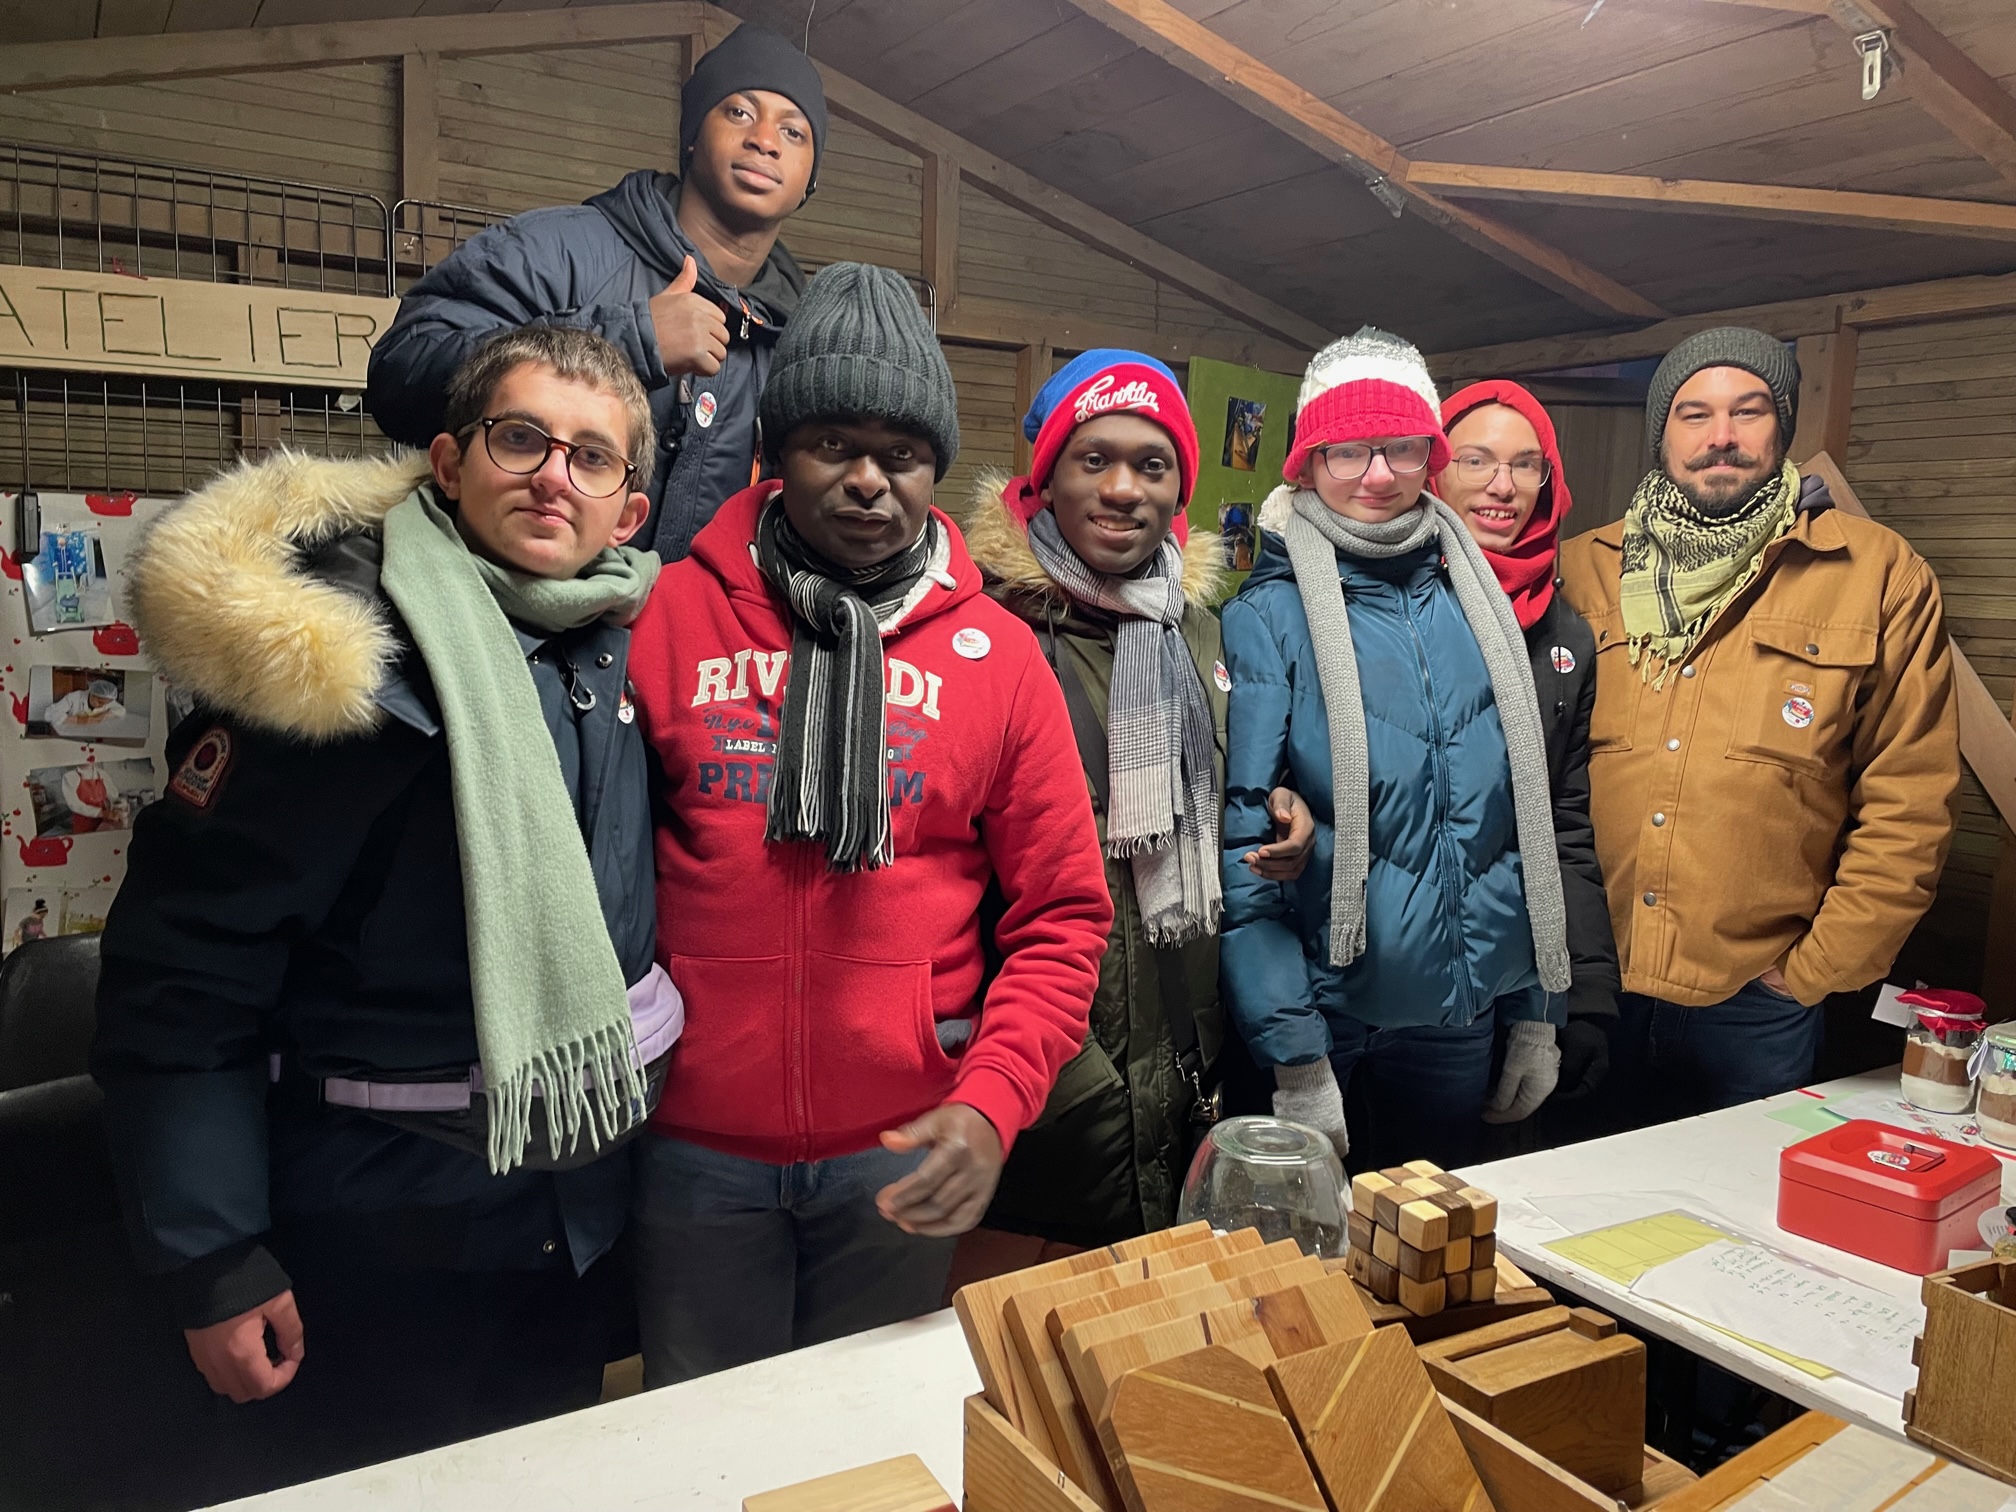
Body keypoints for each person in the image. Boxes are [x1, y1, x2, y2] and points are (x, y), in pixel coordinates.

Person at [93, 325, 675, 1498]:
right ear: (450, 462)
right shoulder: (334, 669)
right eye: (522, 439)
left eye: (591, 457)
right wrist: (212, 1256)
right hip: (378, 1234)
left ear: (631, 510)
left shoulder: (628, 648)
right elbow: (184, 973)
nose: (553, 475)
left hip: (565, 1220)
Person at [625, 262, 1111, 1384]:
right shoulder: (665, 614)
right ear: (774, 452)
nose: (865, 481)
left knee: (864, 1464)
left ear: (934, 468)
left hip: (903, 1151)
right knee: (701, 1461)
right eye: (830, 445)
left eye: (899, 455)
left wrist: (991, 1106)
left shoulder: (999, 661)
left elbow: (1063, 918)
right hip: (692, 1152)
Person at [1559, 327, 1959, 1125]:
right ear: (1660, 434)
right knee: (1561, 1220)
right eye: (1693, 414)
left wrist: (1811, 971)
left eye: (1747, 412)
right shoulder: (1582, 570)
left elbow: (1910, 802)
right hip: (1583, 988)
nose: (1721, 437)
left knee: (1732, 1231)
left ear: (1781, 427)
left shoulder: (1876, 573)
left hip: (1755, 1000)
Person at [962, 350, 1315, 1245]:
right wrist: (1062, 1077)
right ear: (1047, 478)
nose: (1123, 488)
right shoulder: (981, 635)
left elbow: (1224, 792)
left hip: (1183, 1057)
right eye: (1095, 460)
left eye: (1151, 466)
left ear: (1178, 489)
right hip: (1052, 1080)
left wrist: (1283, 807)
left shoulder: (1201, 635)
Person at [1224, 328, 1571, 1173]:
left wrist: (1538, 1012)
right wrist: (1296, 1056)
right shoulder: (1267, 616)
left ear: (1430, 454)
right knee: (1299, 1274)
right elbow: (1246, 846)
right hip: (1326, 1016)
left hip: (1459, 1018)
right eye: (1346, 451)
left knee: (1428, 1267)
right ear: (1305, 462)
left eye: (1402, 448)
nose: (1377, 475)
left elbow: (1520, 825)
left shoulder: (1482, 602)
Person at [367, 23, 823, 563]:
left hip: (694, 643)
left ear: (811, 177)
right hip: (513, 624)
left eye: (794, 132)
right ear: (693, 135)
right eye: (739, 112)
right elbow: (402, 374)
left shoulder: (803, 335)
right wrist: (628, 341)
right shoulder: (557, 248)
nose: (765, 141)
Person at [1438, 381, 1621, 1134]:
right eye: (1476, 459)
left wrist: (1581, 999)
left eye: (1526, 465)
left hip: (1506, 983)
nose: (1502, 486)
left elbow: (1560, 824)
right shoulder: (1386, 606)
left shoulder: (1565, 637)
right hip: (1376, 993)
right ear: (1433, 469)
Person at [44, 676, 127, 737]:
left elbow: (121, 710)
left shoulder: (107, 700)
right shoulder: (74, 697)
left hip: (94, 733)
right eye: (100, 702)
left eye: (107, 703)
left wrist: (105, 715)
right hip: (74, 733)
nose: (103, 705)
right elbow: (49, 714)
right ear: (92, 694)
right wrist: (78, 720)